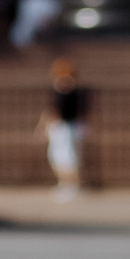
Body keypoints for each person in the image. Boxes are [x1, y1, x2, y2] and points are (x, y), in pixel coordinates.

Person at [39, 57, 90, 200]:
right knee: (66, 156)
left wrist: (45, 127)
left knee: (66, 157)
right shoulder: (76, 91)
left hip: (65, 127)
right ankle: (68, 184)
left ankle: (70, 185)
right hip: (72, 126)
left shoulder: (67, 90)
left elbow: (54, 111)